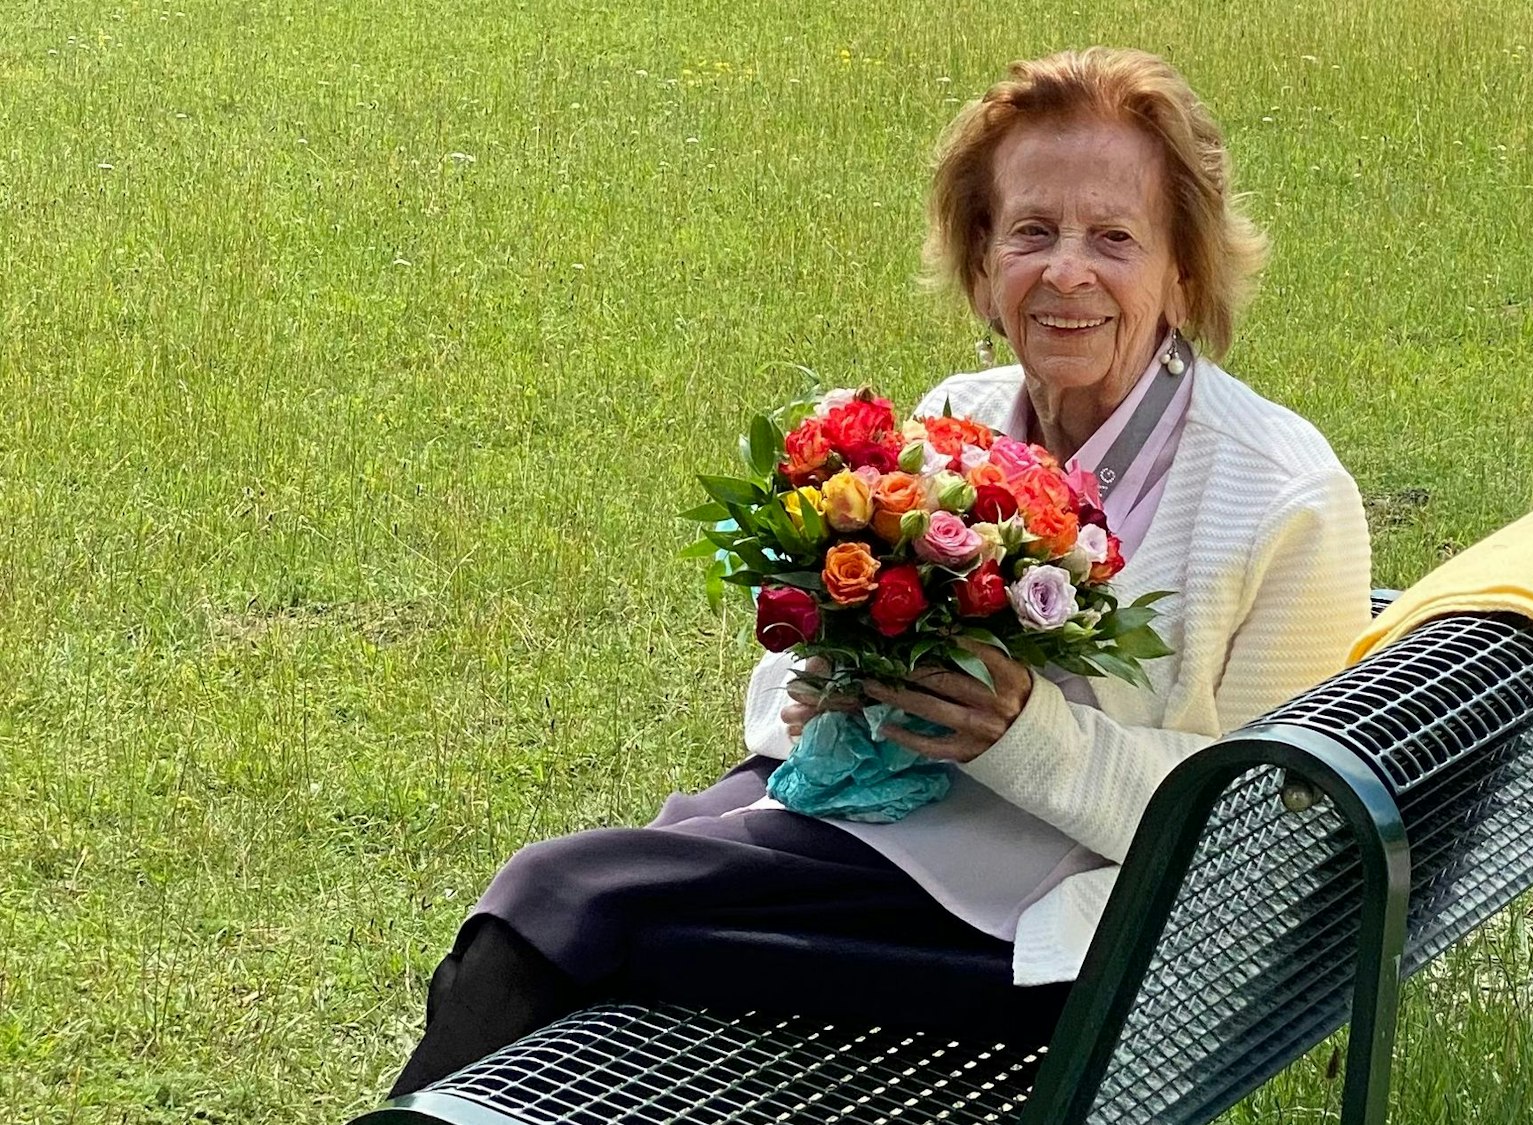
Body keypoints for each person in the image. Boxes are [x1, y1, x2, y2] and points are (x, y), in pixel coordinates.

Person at [388, 46, 1372, 1097]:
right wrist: (820, 680)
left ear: (1182, 269)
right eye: (1029, 232)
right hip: (894, 833)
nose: (1065, 271)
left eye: (1113, 238)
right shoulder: (968, 415)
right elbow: (799, 693)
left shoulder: (1280, 495)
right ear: (981, 259)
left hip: (1074, 940)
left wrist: (1019, 735)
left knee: (562, 898)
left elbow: (1269, 838)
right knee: (623, 883)